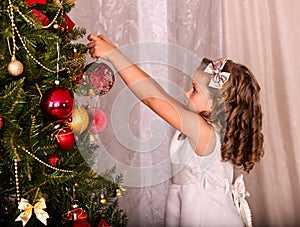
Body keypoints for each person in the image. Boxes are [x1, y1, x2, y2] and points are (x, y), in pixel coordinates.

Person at [87, 34, 264, 227]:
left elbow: (153, 98)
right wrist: (117, 53)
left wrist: (114, 55)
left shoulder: (203, 133)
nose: (187, 93)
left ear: (218, 104)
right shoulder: (204, 131)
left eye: (195, 90)